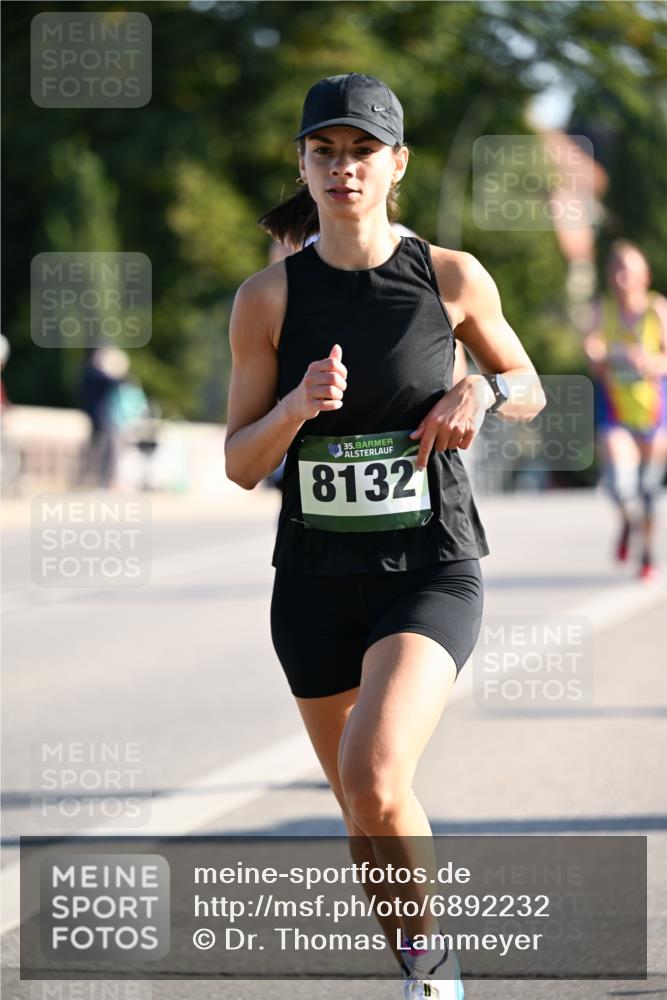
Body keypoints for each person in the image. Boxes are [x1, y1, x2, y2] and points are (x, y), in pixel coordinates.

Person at [225, 73, 545, 999]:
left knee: (372, 777)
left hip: (430, 567)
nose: (342, 168)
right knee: (360, 809)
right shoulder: (267, 300)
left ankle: (435, 980)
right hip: (316, 580)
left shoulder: (449, 275)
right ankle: (420, 961)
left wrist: (480, 389)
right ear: (303, 163)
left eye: (362, 151)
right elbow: (242, 464)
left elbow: (525, 380)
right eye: (323, 151)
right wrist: (293, 407)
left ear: (394, 164)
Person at [583, 240, 667, 581]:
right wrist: (601, 356)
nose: (622, 278)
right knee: (619, 484)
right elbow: (592, 351)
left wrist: (648, 362)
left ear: (644, 276)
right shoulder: (602, 311)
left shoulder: (656, 309)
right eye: (616, 270)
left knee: (648, 491)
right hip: (615, 409)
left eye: (629, 271)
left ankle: (646, 554)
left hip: (654, 410)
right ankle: (627, 522)